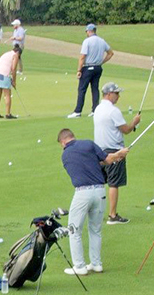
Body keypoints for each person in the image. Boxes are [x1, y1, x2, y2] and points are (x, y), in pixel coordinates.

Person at [57, 128, 128, 275]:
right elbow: (106, 160)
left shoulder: (65, 155)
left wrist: (116, 156)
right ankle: (96, 264)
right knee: (95, 229)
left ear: (63, 141)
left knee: (74, 230)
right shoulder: (89, 144)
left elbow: (85, 166)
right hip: (100, 191)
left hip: (82, 193)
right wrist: (118, 155)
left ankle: (80, 266)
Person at [92, 82, 141, 224]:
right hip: (114, 151)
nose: (118, 96)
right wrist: (135, 121)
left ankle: (97, 213)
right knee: (113, 183)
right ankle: (112, 216)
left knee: (100, 183)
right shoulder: (113, 111)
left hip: (99, 151)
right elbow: (126, 130)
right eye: (116, 93)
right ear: (108, 94)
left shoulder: (98, 108)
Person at [68, 24, 112, 119]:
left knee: (82, 89)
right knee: (95, 89)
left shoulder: (87, 41)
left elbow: (83, 56)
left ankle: (77, 111)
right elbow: (110, 53)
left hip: (88, 68)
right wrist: (101, 62)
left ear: (89, 31)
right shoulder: (102, 41)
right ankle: (95, 111)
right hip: (98, 68)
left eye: (87, 31)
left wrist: (79, 70)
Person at [0, 43, 20, 119]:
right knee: (7, 94)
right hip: (3, 75)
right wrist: (14, 81)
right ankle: (8, 114)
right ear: (18, 52)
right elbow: (13, 69)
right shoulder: (15, 55)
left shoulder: (6, 54)